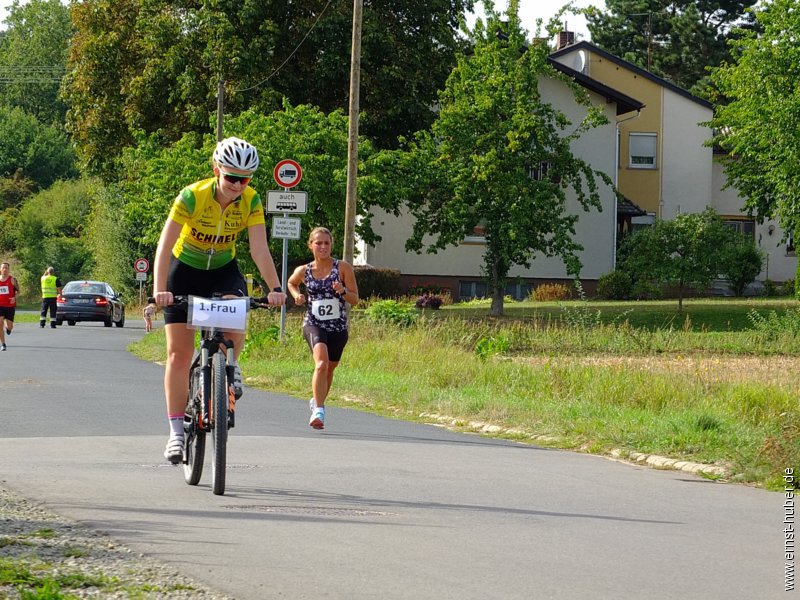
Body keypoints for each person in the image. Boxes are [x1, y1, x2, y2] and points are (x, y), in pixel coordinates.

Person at [152, 137, 286, 463]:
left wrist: (275, 287)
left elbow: (258, 249)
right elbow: (165, 245)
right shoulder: (191, 196)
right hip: (184, 270)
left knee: (237, 309)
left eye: (245, 179)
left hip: (223, 269)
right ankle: (176, 433)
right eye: (232, 177)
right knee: (178, 354)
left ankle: (230, 366)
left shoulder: (251, 201)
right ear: (217, 171)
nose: (238, 185)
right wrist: (159, 290)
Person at [287, 227, 359, 430]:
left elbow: (355, 299)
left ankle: (316, 400)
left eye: (327, 243)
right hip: (314, 323)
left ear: (331, 245)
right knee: (321, 364)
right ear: (310, 245)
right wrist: (296, 295)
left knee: (329, 368)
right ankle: (319, 409)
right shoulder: (304, 270)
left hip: (337, 327)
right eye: (318, 243)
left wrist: (343, 291)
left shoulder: (342, 267)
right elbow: (291, 283)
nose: (323, 247)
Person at [0, 262, 19, 351]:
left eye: (6, 268)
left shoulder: (12, 280)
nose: (5, 269)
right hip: (0, 306)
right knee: (0, 324)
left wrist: (14, 298)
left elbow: (18, 291)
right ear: (0, 269)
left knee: (10, 326)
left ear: (9, 269)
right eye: (3, 268)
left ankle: (8, 329)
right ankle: (3, 344)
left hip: (10, 306)